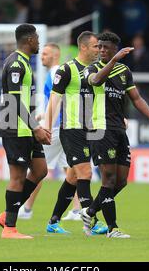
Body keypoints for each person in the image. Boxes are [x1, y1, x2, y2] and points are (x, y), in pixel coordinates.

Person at [81, 32, 149, 238]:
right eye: (99, 47)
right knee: (108, 179)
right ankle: (113, 229)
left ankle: (90, 211)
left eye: (105, 47)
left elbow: (136, 99)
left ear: (114, 48)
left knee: (121, 181)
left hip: (119, 129)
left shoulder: (124, 71)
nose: (101, 50)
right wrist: (114, 60)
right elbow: (96, 81)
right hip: (100, 130)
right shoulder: (91, 69)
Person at [45, 31, 108, 235]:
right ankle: (91, 220)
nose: (99, 50)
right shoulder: (67, 70)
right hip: (71, 129)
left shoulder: (99, 70)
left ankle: (53, 221)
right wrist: (47, 126)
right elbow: (54, 101)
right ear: (83, 47)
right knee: (86, 173)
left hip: (90, 130)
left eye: (100, 47)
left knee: (73, 177)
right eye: (95, 46)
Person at [0, 24, 51, 239]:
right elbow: (15, 100)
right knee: (17, 177)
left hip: (26, 126)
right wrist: (35, 127)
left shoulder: (25, 63)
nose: (39, 42)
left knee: (40, 170)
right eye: (37, 38)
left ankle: (7, 214)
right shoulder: (16, 64)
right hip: (15, 127)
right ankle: (10, 229)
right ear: (29, 40)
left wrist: (35, 124)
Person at [17, 43, 78, 220]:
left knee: (38, 169)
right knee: (70, 169)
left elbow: (59, 100)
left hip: (54, 129)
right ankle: (76, 210)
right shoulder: (56, 73)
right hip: (60, 126)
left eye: (45, 54)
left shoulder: (55, 73)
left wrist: (47, 124)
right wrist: (43, 113)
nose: (41, 56)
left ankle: (26, 209)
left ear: (55, 56)